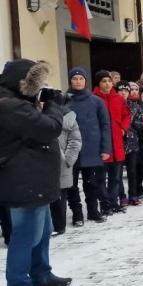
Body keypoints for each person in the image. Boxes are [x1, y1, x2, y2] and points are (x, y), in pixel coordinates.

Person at [0, 60, 71, 286]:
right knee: (25, 233)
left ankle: (41, 273)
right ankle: (18, 285)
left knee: (43, 230)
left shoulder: (17, 102)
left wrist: (43, 104)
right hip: (22, 178)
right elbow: (48, 128)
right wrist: (54, 105)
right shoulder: (8, 106)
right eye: (38, 83)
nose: (42, 87)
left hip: (34, 177)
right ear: (24, 84)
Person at [66, 67, 111, 225]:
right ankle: (77, 214)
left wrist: (106, 148)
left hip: (92, 148)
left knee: (92, 183)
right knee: (71, 184)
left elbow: (105, 125)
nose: (78, 81)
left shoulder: (96, 101)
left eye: (81, 79)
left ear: (85, 81)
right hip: (70, 150)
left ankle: (93, 210)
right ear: (70, 81)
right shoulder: (64, 100)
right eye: (75, 79)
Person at [92, 70, 130, 215]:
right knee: (101, 177)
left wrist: (123, 128)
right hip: (101, 144)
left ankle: (114, 202)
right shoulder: (94, 99)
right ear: (98, 83)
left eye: (109, 81)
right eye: (103, 81)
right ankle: (104, 203)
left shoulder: (118, 99)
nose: (107, 84)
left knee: (116, 177)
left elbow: (126, 115)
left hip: (117, 143)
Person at [51, 103, 82, 235]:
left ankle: (59, 226)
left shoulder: (67, 117)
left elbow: (75, 140)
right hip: (39, 162)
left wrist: (67, 159)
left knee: (61, 194)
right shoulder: (33, 114)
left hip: (62, 162)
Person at [118, 81, 143, 205]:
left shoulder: (134, 106)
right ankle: (121, 196)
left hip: (132, 142)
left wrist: (131, 124)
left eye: (126, 90)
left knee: (132, 171)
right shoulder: (112, 105)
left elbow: (141, 123)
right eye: (121, 90)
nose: (123, 93)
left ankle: (133, 195)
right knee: (118, 172)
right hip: (117, 142)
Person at [127, 82, 143, 200]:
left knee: (140, 166)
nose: (134, 91)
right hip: (130, 139)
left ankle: (139, 187)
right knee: (132, 167)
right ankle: (133, 190)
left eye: (136, 89)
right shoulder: (126, 104)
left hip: (141, 138)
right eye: (132, 89)